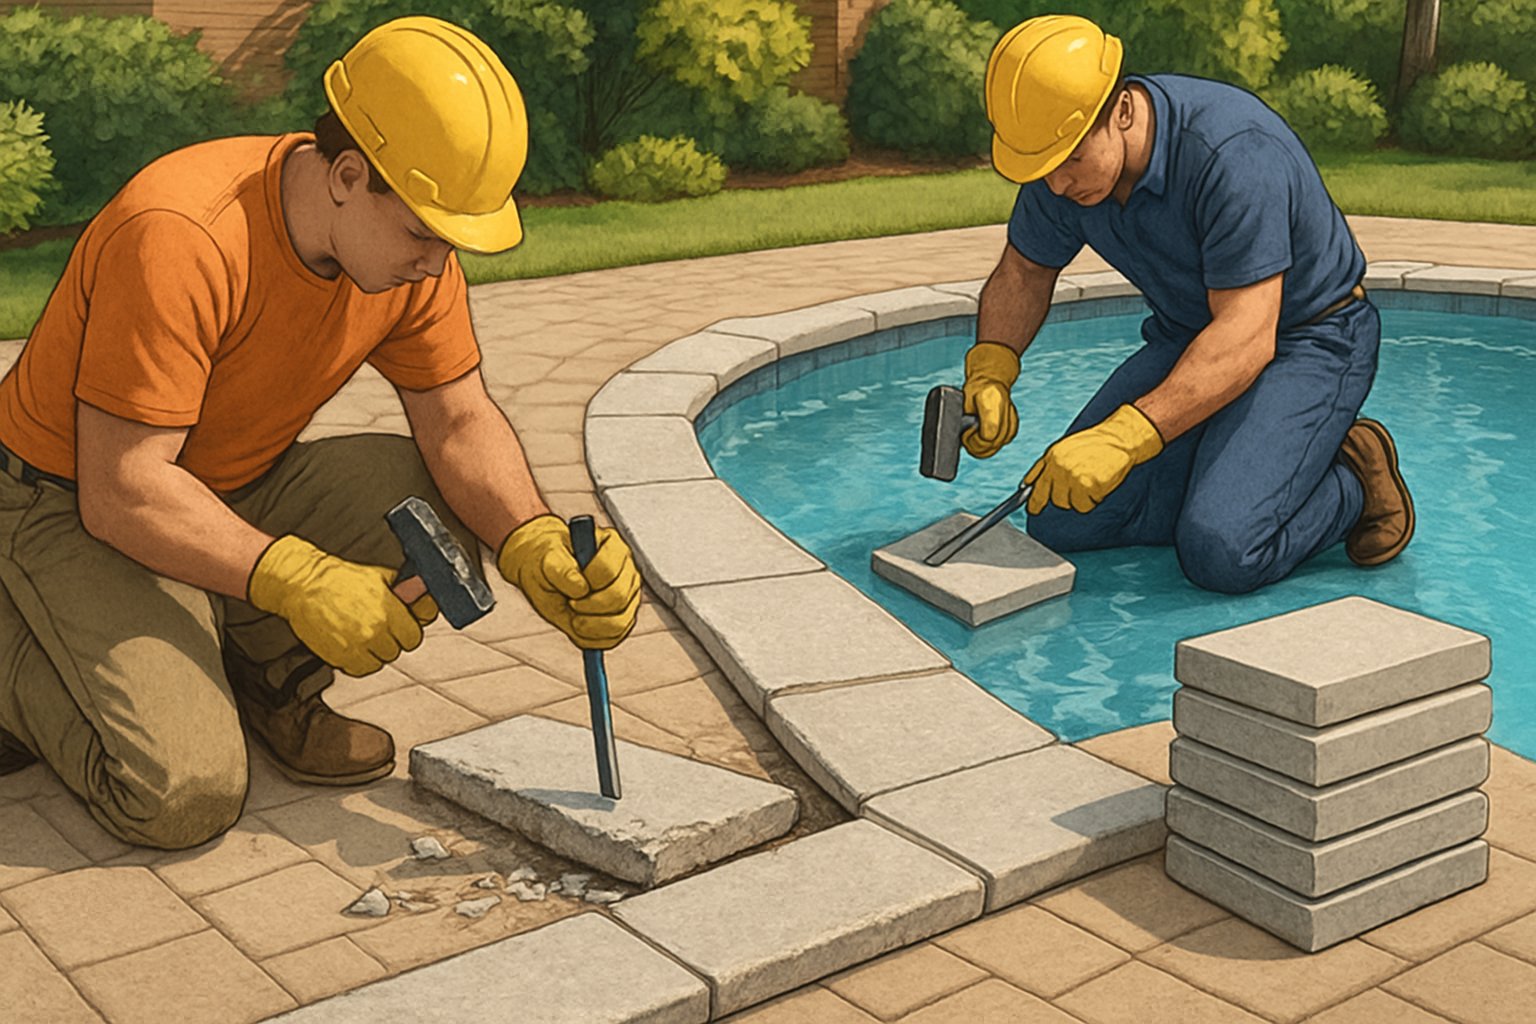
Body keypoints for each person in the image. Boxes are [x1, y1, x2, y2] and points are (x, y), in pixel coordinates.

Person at [0, 16, 641, 849]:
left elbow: (458, 416)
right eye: (423, 234)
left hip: (226, 487)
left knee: (437, 517)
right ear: (346, 174)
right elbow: (123, 490)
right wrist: (295, 579)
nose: (437, 265)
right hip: (62, 502)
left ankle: (268, 679)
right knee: (181, 794)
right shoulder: (181, 234)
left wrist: (533, 540)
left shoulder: (404, 259)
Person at [962, 15, 1414, 594]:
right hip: (1191, 338)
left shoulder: (1232, 151)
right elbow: (1025, 269)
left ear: (1121, 109)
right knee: (1062, 517)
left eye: (1070, 160)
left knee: (1221, 552)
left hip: (1312, 338)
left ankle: (1353, 478)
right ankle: (1236, 474)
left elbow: (1249, 335)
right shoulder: (1061, 165)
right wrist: (993, 367)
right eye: (1043, 169)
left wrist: (1128, 437)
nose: (1056, 186)